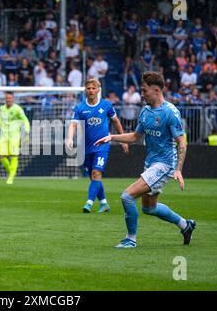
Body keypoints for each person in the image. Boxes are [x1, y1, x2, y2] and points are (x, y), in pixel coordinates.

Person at [94, 71, 196, 248]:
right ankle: (185, 225)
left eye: (144, 90)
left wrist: (178, 169)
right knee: (149, 208)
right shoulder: (146, 111)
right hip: (151, 164)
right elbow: (135, 137)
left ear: (156, 90)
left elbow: (182, 143)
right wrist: (112, 137)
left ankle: (130, 239)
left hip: (164, 165)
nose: (142, 93)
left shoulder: (170, 113)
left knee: (127, 196)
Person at [66, 79, 129, 213]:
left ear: (98, 90)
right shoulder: (79, 108)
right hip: (86, 148)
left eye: (93, 88)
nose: (91, 90)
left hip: (102, 147)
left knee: (96, 173)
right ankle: (104, 203)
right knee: (93, 177)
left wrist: (123, 140)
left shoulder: (106, 105)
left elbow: (116, 122)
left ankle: (89, 203)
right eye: (88, 88)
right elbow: (73, 124)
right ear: (85, 90)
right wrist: (69, 138)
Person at [0, 92, 30, 185]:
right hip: (3, 136)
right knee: (1, 156)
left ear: (13, 99)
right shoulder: (2, 108)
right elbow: (0, 119)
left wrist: (27, 130)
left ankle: (11, 177)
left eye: (10, 98)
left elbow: (25, 119)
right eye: (7, 98)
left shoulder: (17, 109)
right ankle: (11, 171)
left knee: (14, 156)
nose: (8, 99)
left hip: (14, 136)